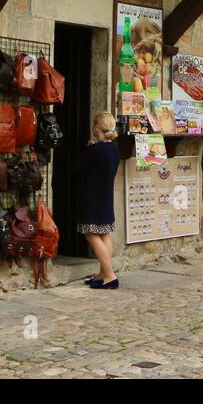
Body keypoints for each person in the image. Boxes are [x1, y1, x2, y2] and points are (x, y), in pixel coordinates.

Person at [80, 111, 122, 290]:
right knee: (104, 234)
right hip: (106, 196)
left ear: (96, 128)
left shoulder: (95, 150)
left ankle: (110, 276)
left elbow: (79, 167)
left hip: (93, 197)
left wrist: (89, 149)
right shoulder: (113, 149)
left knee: (92, 235)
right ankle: (103, 273)